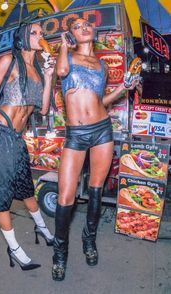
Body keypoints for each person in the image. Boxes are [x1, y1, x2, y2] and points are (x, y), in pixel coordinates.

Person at [52, 18, 138, 281]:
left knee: (96, 191)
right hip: (76, 134)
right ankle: (60, 253)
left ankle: (89, 240)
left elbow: (101, 100)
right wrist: (64, 48)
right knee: (65, 197)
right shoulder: (68, 57)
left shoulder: (102, 66)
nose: (83, 27)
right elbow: (62, 73)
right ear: (72, 35)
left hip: (102, 130)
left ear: (94, 31)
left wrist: (123, 87)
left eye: (86, 25)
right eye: (76, 26)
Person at [0, 23, 55, 271]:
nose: (41, 37)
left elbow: (45, 108)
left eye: (42, 33)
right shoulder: (9, 61)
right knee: (0, 195)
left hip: (16, 139)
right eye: (35, 33)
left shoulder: (39, 71)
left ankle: (43, 229)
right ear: (22, 37)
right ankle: (15, 249)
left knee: (26, 189)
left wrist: (50, 78)